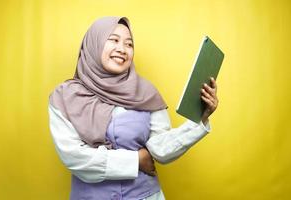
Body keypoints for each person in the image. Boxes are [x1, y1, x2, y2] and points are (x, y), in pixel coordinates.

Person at [48, 16, 218, 200]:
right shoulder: (65, 96)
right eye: (113, 40)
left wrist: (200, 119)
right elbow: (73, 156)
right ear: (94, 43)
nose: (122, 49)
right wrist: (136, 160)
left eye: (129, 44)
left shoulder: (146, 92)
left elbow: (160, 149)